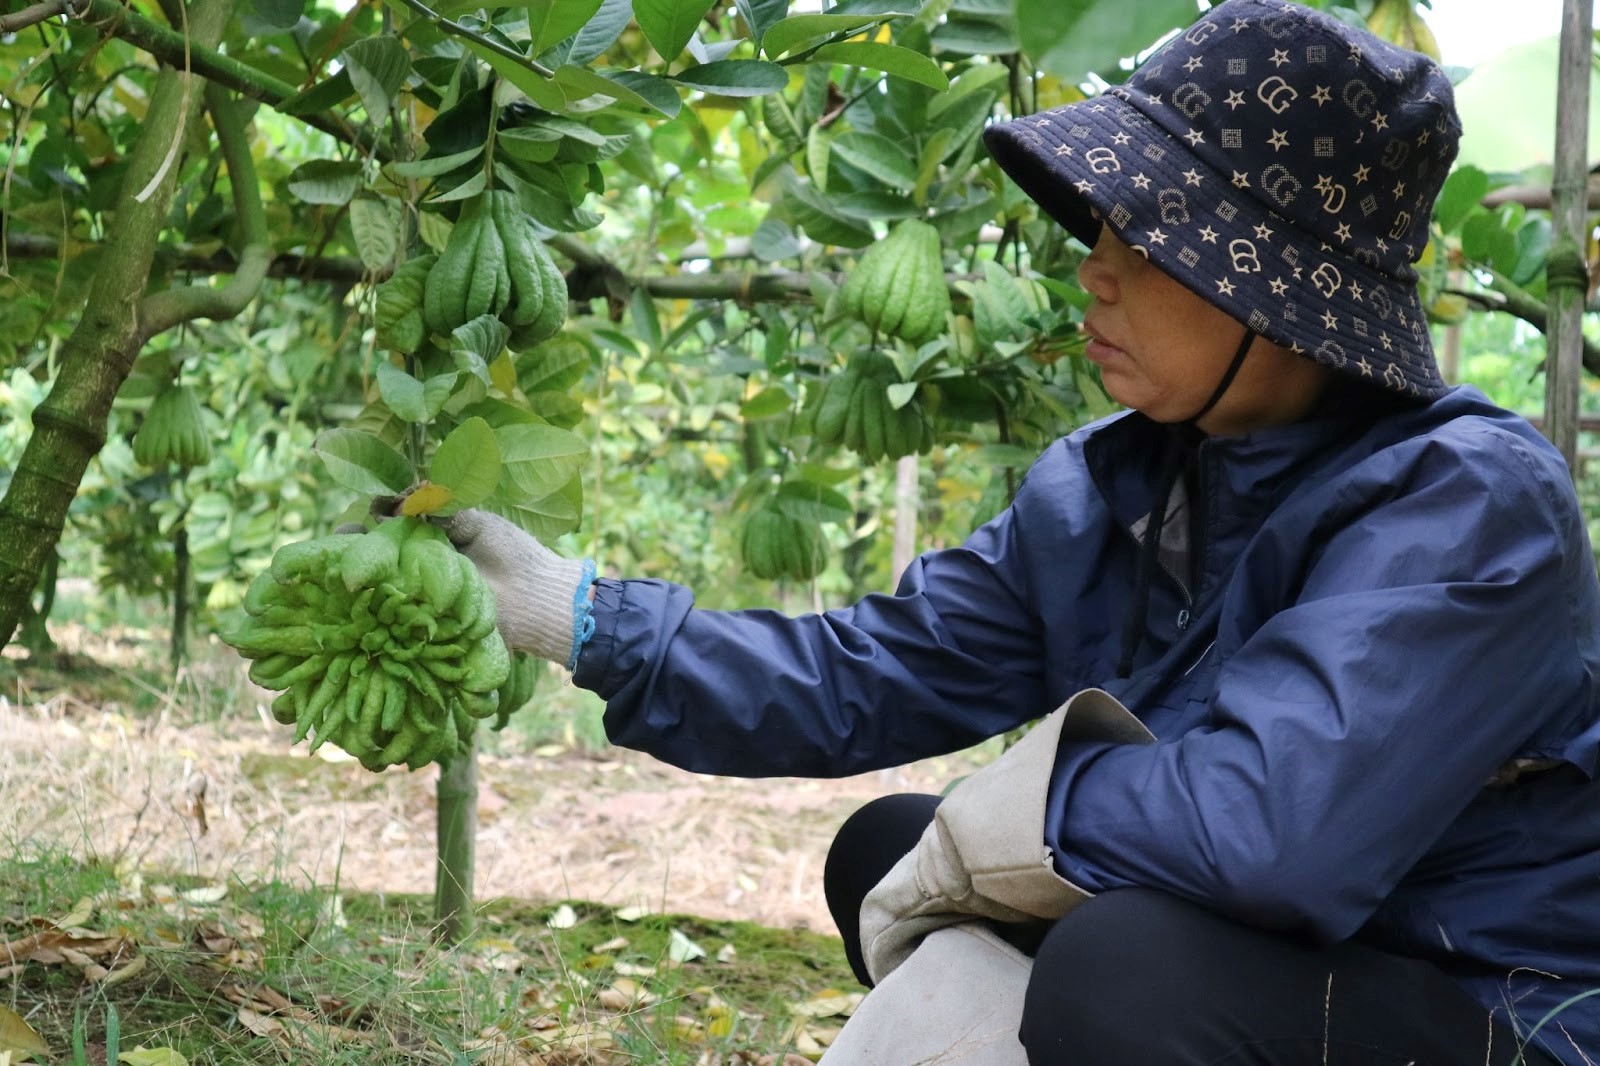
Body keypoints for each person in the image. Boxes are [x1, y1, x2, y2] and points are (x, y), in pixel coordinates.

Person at [437, 1, 1600, 1062]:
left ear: (1277, 291)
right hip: (1269, 956)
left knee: (1123, 972)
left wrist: (1025, 813)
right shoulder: (1118, 486)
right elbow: (866, 672)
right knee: (888, 846)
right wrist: (578, 617)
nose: (1093, 273)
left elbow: (1270, 836)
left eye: (1143, 244)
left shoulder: (1468, 505)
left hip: (1489, 1002)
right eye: (1101, 228)